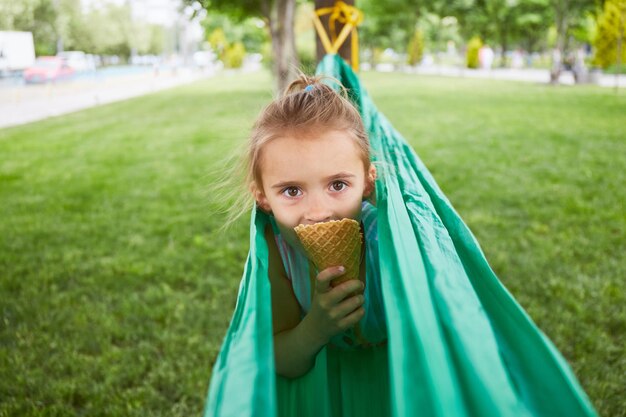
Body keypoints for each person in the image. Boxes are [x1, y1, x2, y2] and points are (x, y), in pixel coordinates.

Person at [233, 74, 387, 380]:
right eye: (292, 191)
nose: (318, 213)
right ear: (263, 198)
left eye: (338, 184)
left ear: (368, 182)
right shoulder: (276, 249)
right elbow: (282, 361)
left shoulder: (387, 239)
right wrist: (314, 328)